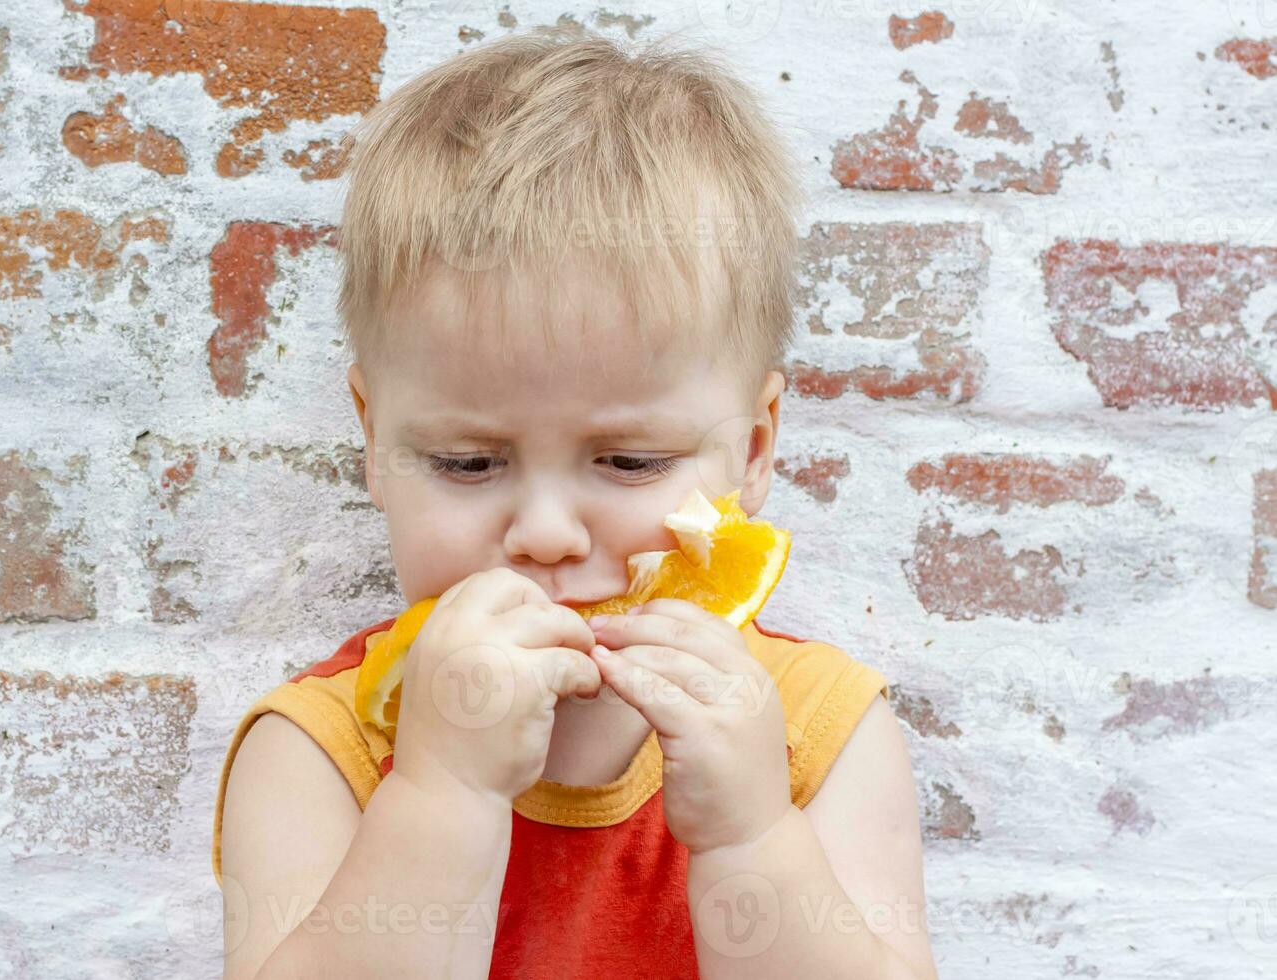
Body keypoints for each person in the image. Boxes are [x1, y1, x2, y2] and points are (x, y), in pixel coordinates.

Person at [212, 25, 936, 980]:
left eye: (631, 461)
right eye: (469, 463)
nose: (546, 534)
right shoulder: (321, 748)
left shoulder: (816, 730)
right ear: (374, 442)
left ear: (754, 448)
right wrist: (444, 795)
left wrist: (753, 837)